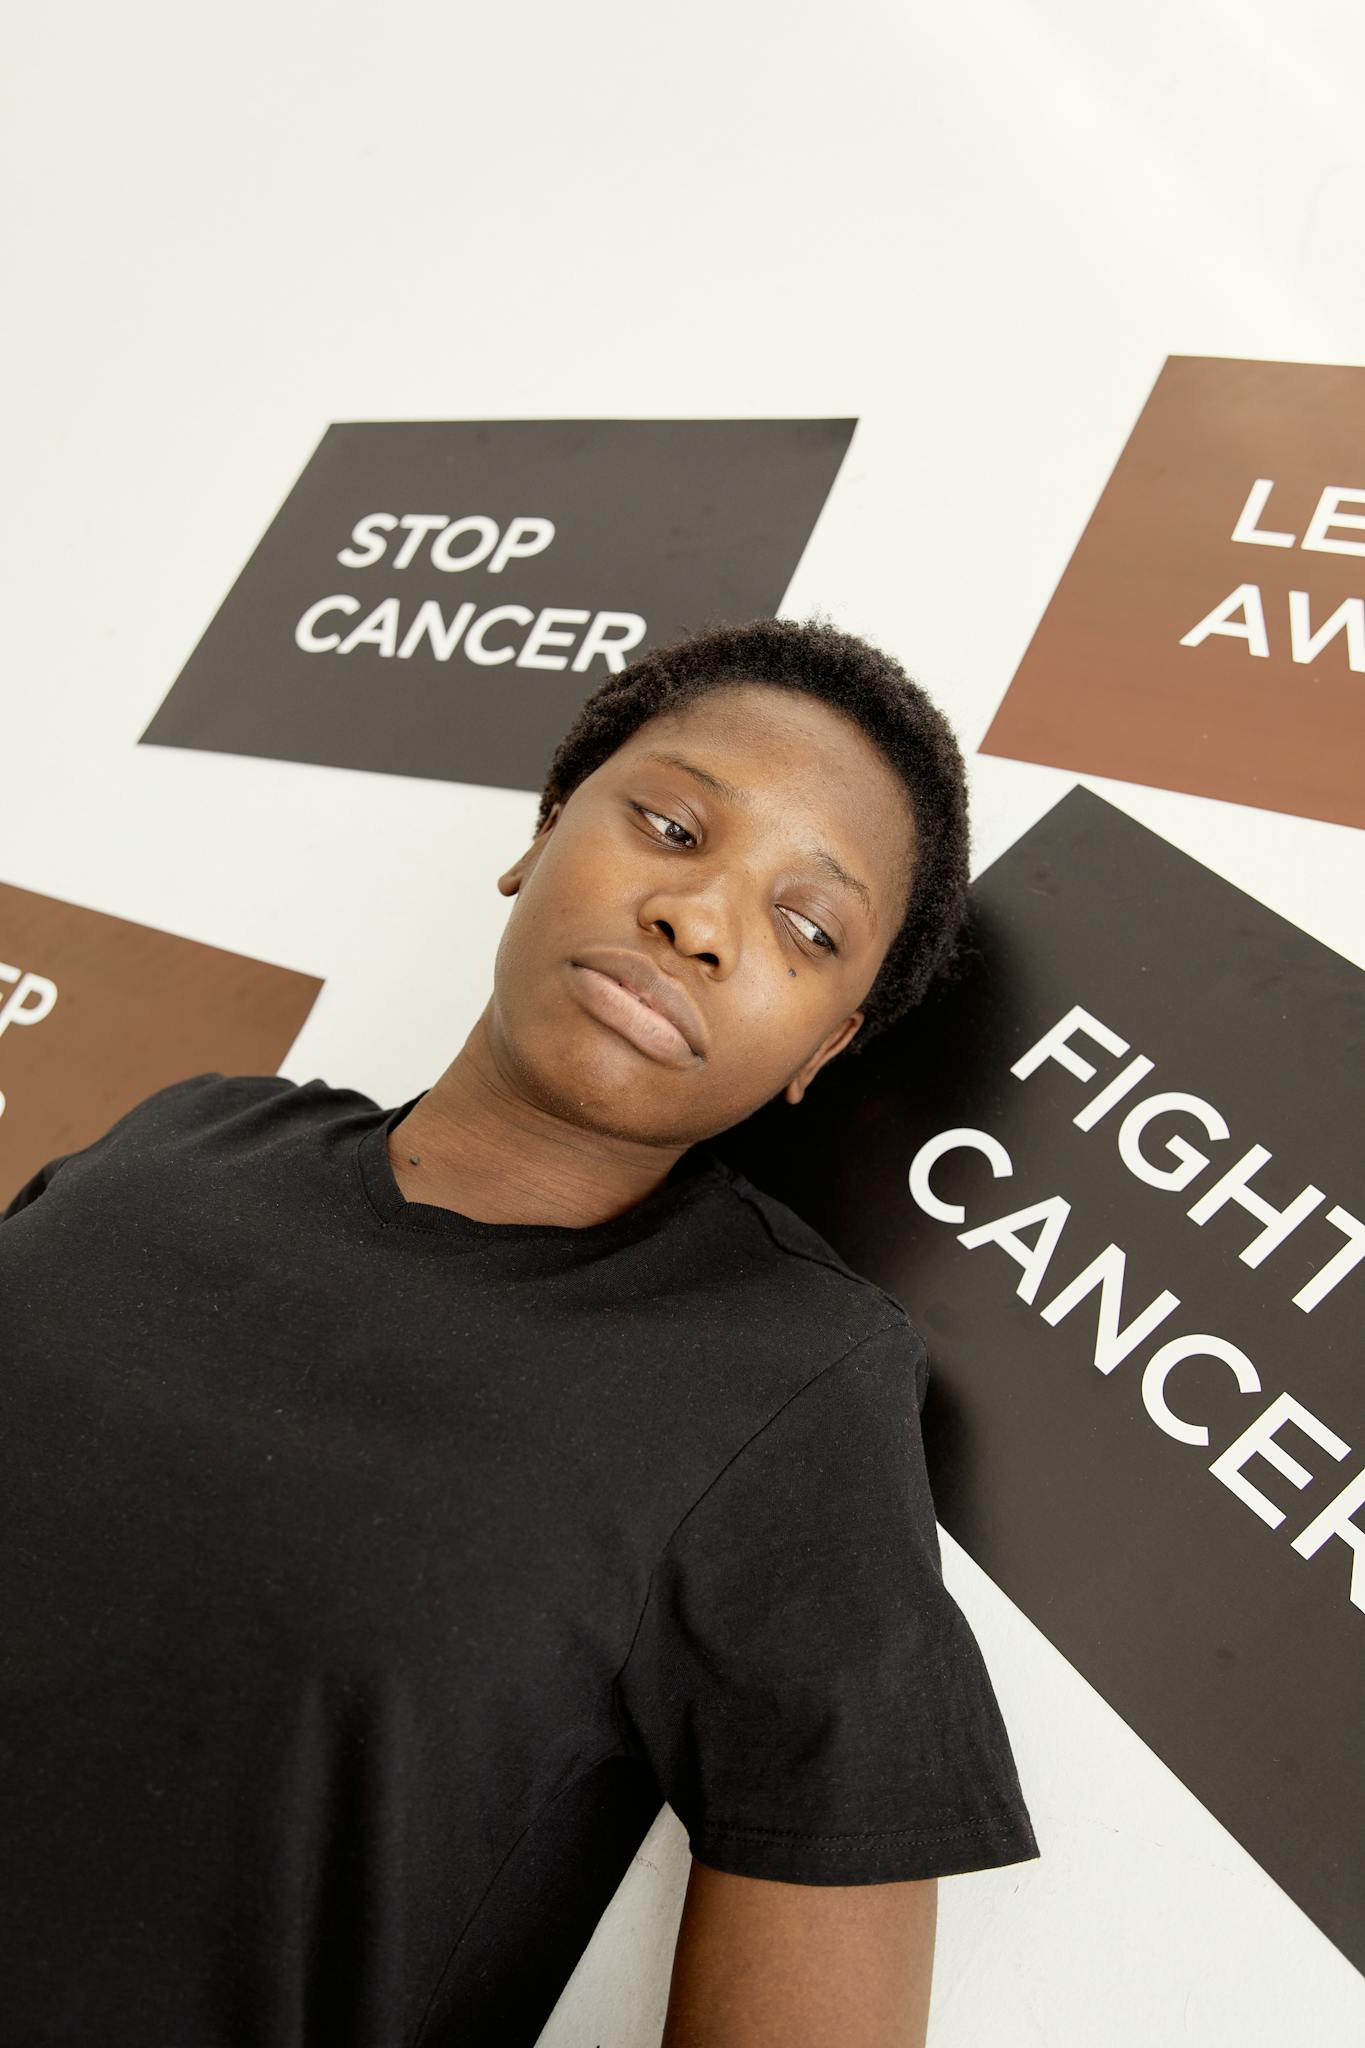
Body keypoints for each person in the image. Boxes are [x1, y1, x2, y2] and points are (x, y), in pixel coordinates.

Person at [0, 615, 1039, 2047]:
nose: (699, 918)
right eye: (671, 825)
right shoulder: (180, 1142)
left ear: (825, 1048)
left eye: (807, 926)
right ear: (540, 835)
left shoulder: (781, 1380)